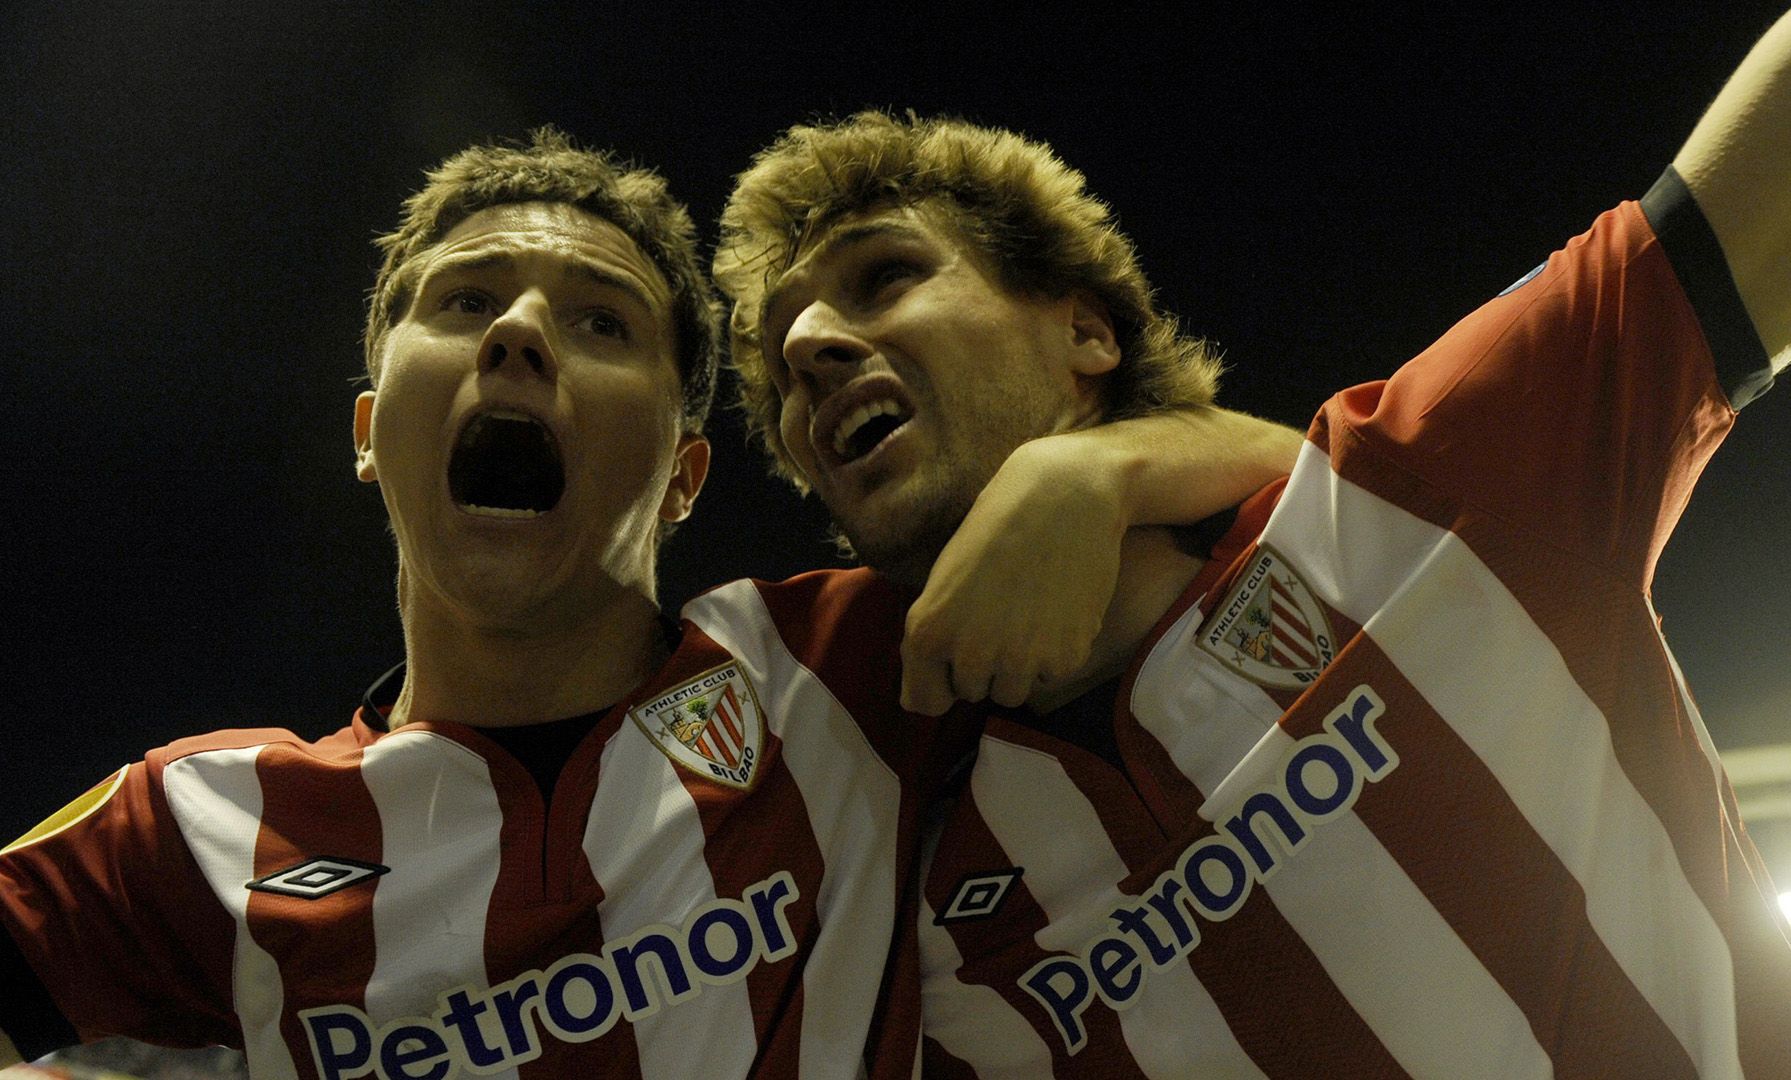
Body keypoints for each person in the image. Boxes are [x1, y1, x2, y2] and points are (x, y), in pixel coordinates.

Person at [711, 0, 1791, 1074]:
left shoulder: (1413, 490)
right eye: (777, 366)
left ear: (1087, 333)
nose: (812, 345)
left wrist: (1110, 465)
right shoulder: (879, 841)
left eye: (882, 278)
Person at [0, 130, 1298, 1077]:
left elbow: (1302, 485)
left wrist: (1103, 465)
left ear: (684, 478)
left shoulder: (841, 671)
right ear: (366, 431)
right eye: (462, 302)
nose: (517, 332)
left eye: (603, 324)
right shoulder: (197, 821)